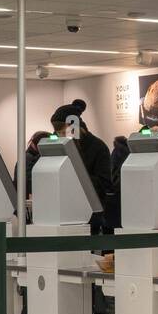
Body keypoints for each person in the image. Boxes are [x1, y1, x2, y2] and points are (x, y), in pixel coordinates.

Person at [50, 99, 112, 234]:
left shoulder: (98, 147)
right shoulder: (63, 146)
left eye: (61, 131)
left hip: (90, 213)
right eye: (57, 132)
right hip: (66, 211)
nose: (59, 135)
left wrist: (76, 179)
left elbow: (104, 182)